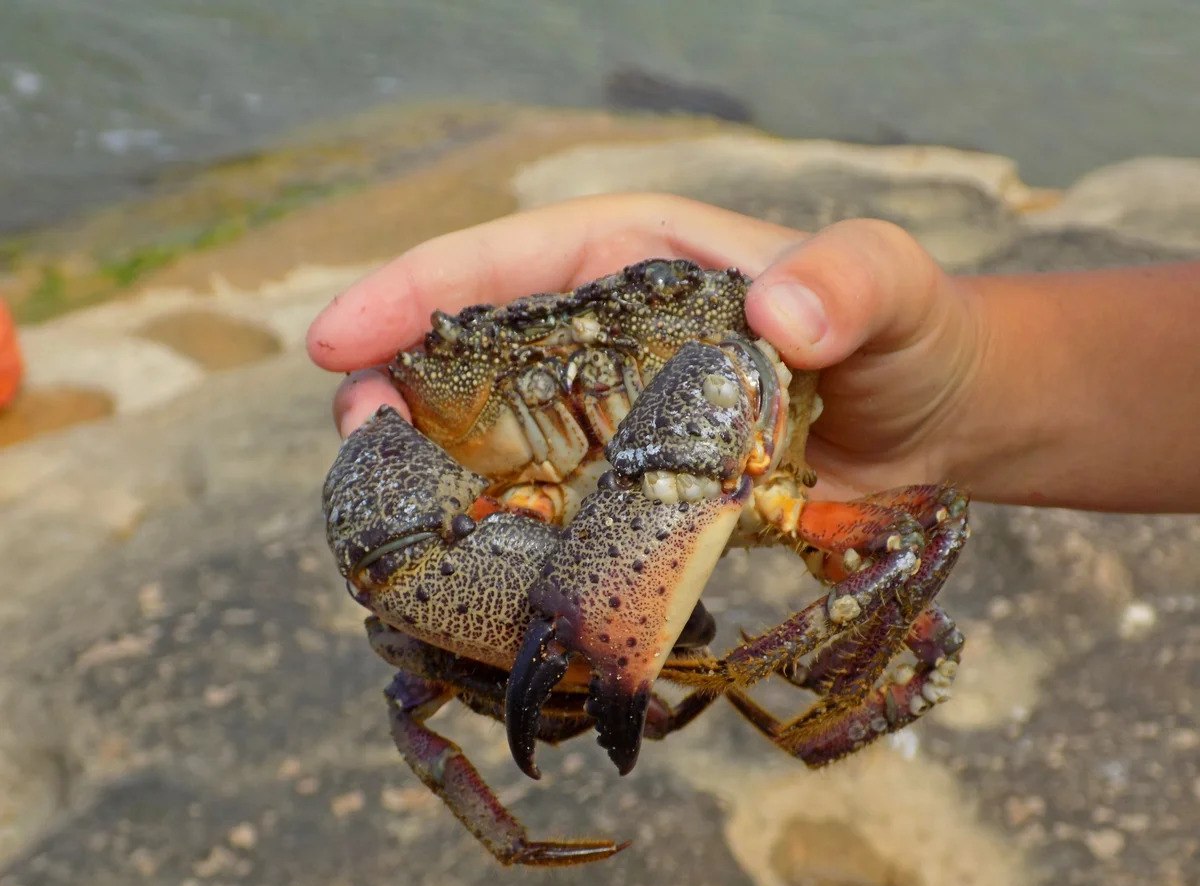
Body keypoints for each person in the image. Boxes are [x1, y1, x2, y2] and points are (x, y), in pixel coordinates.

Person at [306, 193, 1200, 514]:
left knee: (911, 551)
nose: (583, 382)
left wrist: (959, 383)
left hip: (764, 477)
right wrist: (970, 386)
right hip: (520, 529)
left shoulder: (742, 354)